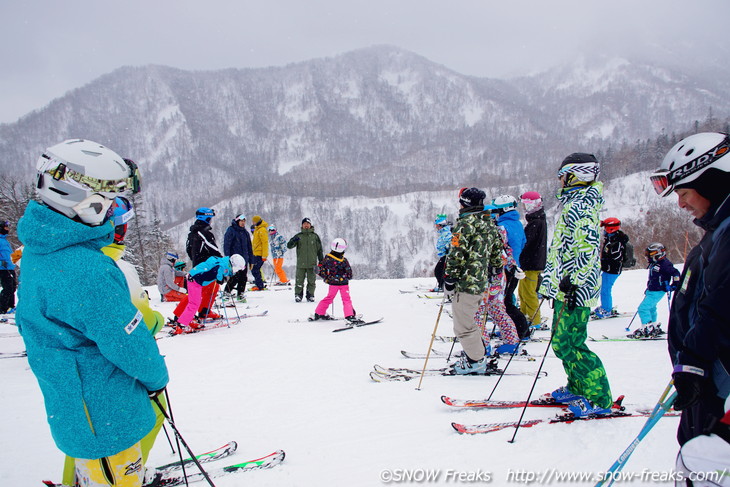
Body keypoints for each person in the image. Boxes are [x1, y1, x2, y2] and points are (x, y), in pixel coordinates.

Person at [16, 139, 168, 486]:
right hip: (104, 411)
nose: (112, 208)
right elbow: (127, 341)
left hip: (74, 403)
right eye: (109, 200)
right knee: (116, 475)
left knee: (97, 471)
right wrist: (156, 377)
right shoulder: (87, 269)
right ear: (86, 201)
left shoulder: (41, 252)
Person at [62, 195, 168, 485]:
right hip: (110, 373)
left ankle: (75, 478)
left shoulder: (73, 258)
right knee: (153, 413)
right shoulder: (113, 266)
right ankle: (133, 470)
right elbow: (135, 326)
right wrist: (156, 320)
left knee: (83, 429)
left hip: (77, 375)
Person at [649, 132, 730, 447]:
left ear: (711, 181)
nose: (680, 203)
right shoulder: (718, 231)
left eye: (684, 192)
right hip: (706, 381)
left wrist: (694, 357)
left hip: (717, 386)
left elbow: (723, 302)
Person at [539, 152, 613, 417]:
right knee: (562, 343)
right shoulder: (574, 203)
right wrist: (553, 283)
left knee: (571, 344)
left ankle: (599, 398)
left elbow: (587, 248)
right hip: (566, 287)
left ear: (575, 175)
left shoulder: (581, 205)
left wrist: (574, 281)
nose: (559, 182)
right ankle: (578, 385)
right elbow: (563, 249)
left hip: (576, 290)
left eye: (562, 176)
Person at [443, 188, 503, 374]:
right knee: (469, 320)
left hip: (465, 282)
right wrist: (494, 268)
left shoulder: (463, 225)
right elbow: (496, 251)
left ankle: (475, 360)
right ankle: (477, 353)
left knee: (463, 325)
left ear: (465, 203)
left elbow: (456, 253)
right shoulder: (489, 223)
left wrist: (449, 278)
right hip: (480, 281)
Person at [473, 206, 520, 354]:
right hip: (499, 278)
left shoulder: (479, 234)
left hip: (483, 279)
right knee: (498, 309)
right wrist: (512, 265)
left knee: (476, 312)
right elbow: (507, 251)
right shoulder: (500, 232)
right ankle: (511, 341)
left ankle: (482, 345)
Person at [170, 254, 246, 334]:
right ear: (234, 265)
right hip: (195, 280)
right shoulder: (222, 266)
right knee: (194, 303)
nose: (237, 271)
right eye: (238, 269)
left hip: (196, 280)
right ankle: (181, 324)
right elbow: (217, 269)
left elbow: (214, 264)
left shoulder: (223, 263)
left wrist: (221, 277)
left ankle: (186, 320)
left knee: (195, 302)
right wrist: (220, 278)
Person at [492, 195, 529, 338]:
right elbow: (523, 242)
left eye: (498, 210)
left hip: (507, 268)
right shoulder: (517, 223)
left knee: (505, 302)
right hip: (516, 266)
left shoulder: (502, 226)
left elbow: (501, 248)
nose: (496, 213)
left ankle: (520, 330)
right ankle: (513, 328)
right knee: (507, 299)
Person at [631, 242, 680, 337]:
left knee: (643, 308)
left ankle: (647, 327)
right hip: (652, 290)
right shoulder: (655, 263)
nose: (648, 257)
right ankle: (653, 326)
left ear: (657, 254)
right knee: (651, 308)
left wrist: (674, 285)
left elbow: (676, 273)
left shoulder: (664, 264)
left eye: (650, 254)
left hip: (658, 290)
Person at [593, 217, 635, 319]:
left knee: (605, 289)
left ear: (610, 229)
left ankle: (607, 309)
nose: (604, 231)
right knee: (604, 288)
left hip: (612, 270)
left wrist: (603, 262)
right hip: (609, 269)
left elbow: (615, 257)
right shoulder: (612, 239)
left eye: (605, 228)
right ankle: (606, 307)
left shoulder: (617, 242)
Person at [185, 207, 222, 319]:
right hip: (206, 267)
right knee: (199, 292)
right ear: (206, 218)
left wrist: (196, 261)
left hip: (198, 267)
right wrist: (223, 262)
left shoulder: (192, 233)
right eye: (210, 218)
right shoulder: (204, 233)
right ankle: (181, 316)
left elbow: (188, 249)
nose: (211, 220)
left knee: (208, 289)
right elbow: (214, 250)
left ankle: (205, 310)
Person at [312, 238, 361, 323]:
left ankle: (319, 313)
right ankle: (349, 316)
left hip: (333, 283)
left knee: (329, 297)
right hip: (343, 283)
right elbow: (349, 274)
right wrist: (345, 277)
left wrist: (327, 278)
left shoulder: (327, 259)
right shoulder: (344, 261)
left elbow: (321, 271)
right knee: (346, 299)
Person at [518, 191, 548, 326]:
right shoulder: (536, 220)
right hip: (528, 263)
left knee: (529, 293)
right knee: (523, 292)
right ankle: (524, 316)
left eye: (526, 205)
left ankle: (534, 320)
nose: (524, 208)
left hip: (531, 263)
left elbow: (527, 242)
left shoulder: (536, 222)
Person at [287, 218, 324, 302]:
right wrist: (293, 240)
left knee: (312, 281)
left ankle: (310, 295)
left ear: (310, 225)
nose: (306, 225)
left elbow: (319, 250)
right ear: (302, 225)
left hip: (312, 263)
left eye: (308, 223)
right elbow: (289, 246)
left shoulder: (315, 236)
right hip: (301, 263)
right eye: (304, 224)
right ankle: (298, 295)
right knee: (299, 281)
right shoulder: (298, 236)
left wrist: (321, 261)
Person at [223, 214, 253, 299]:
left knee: (243, 277)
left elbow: (249, 247)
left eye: (244, 221)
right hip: (235, 259)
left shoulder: (245, 232)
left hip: (244, 260)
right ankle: (227, 292)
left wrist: (251, 260)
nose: (243, 223)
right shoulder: (231, 230)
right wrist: (227, 258)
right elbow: (227, 245)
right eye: (241, 221)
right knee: (235, 276)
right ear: (237, 221)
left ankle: (240, 293)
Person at [0, 220, 17, 315]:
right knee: (8, 288)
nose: (8, 229)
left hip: (10, 267)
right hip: (2, 268)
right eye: (6, 227)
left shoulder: (4, 240)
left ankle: (11, 306)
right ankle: (2, 308)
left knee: (13, 288)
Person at [432, 214, 452, 292]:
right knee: (440, 270)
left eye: (437, 225)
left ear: (441, 225)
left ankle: (443, 287)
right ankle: (442, 286)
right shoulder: (443, 232)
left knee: (439, 270)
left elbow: (451, 242)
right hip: (444, 255)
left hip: (447, 255)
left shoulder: (447, 232)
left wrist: (448, 249)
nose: (436, 227)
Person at [250, 215, 269, 291]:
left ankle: (260, 286)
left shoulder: (262, 230)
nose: (253, 223)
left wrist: (264, 255)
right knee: (255, 269)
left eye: (254, 221)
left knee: (255, 269)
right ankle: (259, 284)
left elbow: (265, 243)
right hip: (255, 253)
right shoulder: (257, 229)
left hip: (260, 254)